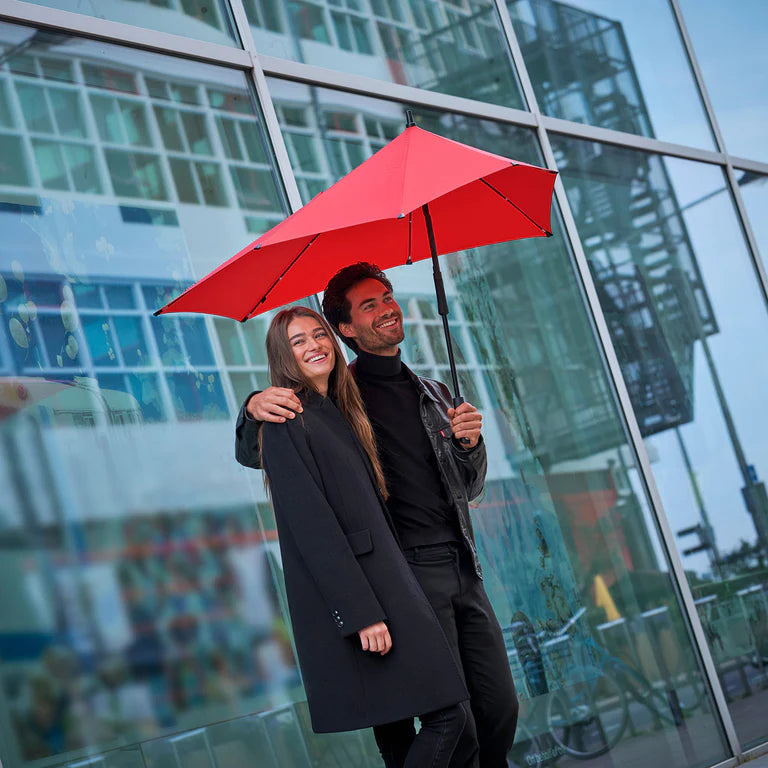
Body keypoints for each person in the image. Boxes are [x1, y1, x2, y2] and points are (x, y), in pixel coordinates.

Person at [236, 263, 519, 768]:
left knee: (499, 708)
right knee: (456, 724)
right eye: (370, 304)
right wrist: (253, 405)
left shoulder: (433, 394)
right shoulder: (339, 397)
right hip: (406, 573)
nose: (388, 308)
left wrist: (471, 446)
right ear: (346, 329)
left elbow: (469, 489)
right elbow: (266, 452)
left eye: (388, 297)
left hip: (461, 565)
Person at [256, 305, 470, 767]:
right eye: (299, 341)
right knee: (447, 716)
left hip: (387, 579)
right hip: (367, 594)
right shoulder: (285, 420)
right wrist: (360, 614)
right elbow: (314, 530)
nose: (314, 346)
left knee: (395, 729)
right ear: (282, 356)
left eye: (319, 335)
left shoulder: (340, 409)